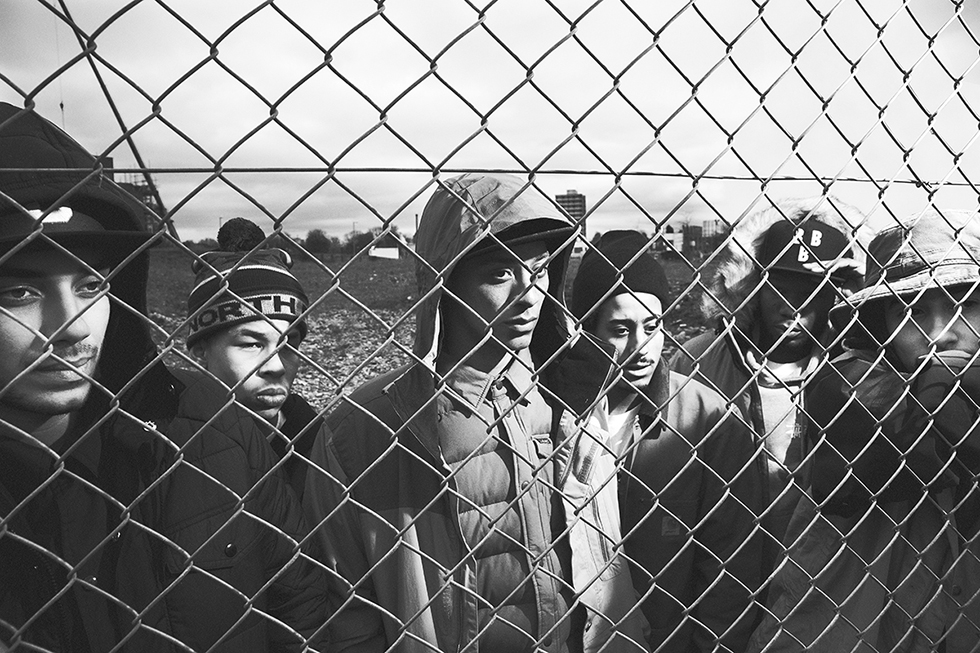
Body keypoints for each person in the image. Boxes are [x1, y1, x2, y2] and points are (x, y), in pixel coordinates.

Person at [0, 102, 328, 651]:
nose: (73, 327)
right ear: (199, 348)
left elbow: (304, 606)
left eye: (91, 285)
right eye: (19, 292)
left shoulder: (210, 429)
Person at [305, 173, 625, 653]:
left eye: (540, 269)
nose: (529, 294)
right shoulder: (364, 429)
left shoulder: (569, 397)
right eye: (499, 274)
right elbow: (344, 613)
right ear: (445, 284)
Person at [747, 209, 980, 652]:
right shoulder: (850, 387)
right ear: (880, 323)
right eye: (911, 311)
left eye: (963, 304)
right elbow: (930, 427)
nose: (937, 335)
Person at [570, 230, 763, 653]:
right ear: (586, 329)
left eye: (652, 326)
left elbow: (733, 564)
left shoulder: (708, 418)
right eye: (621, 329)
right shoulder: (554, 416)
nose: (641, 347)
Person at [669, 199, 866, 580]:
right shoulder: (698, 362)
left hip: (824, 574)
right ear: (753, 286)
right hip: (722, 570)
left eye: (812, 290)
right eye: (780, 287)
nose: (793, 307)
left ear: (838, 294)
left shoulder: (857, 369)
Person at [186, 216, 322, 498]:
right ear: (200, 349)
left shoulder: (323, 446)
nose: (276, 366)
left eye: (288, 344)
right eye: (251, 344)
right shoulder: (167, 449)